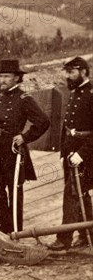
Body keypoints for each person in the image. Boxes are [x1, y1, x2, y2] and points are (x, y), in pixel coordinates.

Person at [0, 59, 49, 234]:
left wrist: (25, 137)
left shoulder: (24, 99)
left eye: (7, 76)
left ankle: (14, 233)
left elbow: (43, 122)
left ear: (17, 78)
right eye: (1, 76)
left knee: (14, 192)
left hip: (13, 150)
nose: (2, 80)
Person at [48, 57, 92, 251]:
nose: (68, 76)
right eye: (66, 71)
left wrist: (81, 154)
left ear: (83, 71)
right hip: (71, 152)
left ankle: (64, 238)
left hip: (85, 154)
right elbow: (68, 126)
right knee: (80, 193)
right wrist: (64, 150)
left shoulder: (91, 95)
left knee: (71, 193)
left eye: (72, 72)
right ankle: (87, 233)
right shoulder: (76, 93)